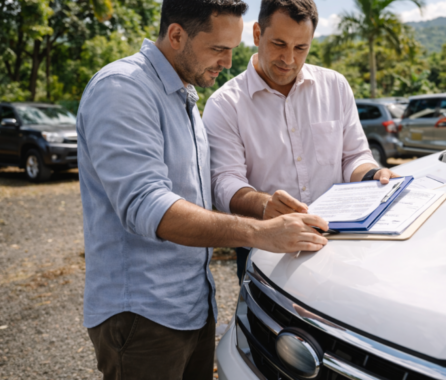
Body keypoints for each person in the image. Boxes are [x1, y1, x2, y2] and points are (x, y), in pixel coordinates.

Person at [76, 0, 328, 378]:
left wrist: (262, 206)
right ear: (177, 35)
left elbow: (199, 191)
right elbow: (149, 205)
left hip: (192, 307)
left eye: (232, 49)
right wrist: (260, 233)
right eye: (218, 49)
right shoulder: (124, 89)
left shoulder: (183, 95)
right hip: (142, 316)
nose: (228, 62)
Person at [202, 0, 398, 283]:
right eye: (279, 44)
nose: (289, 59)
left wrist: (373, 174)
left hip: (337, 242)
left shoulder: (335, 86)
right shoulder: (225, 104)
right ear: (257, 34)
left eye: (300, 48)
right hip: (266, 251)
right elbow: (224, 182)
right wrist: (264, 204)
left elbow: (354, 157)